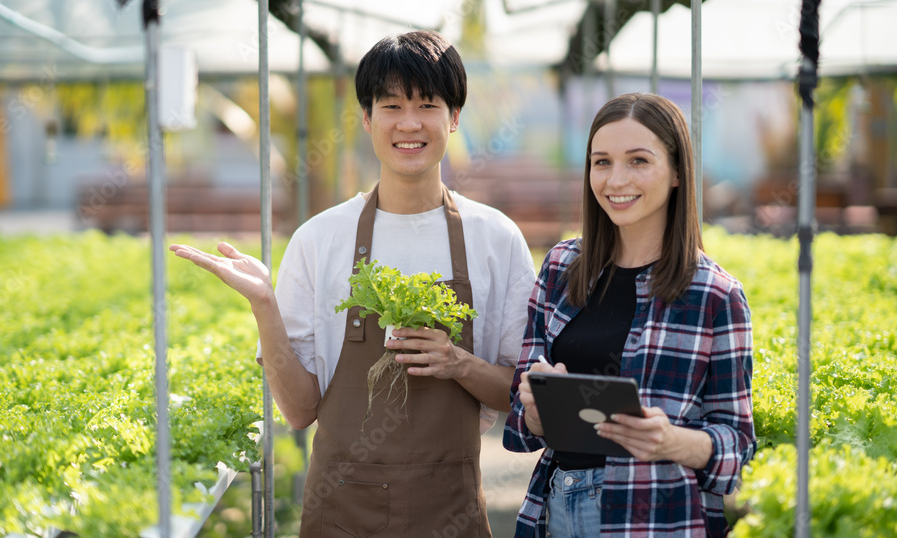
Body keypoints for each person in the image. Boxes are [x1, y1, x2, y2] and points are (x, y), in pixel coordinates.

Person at [171, 30, 536, 537]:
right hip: (341, 514)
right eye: (391, 105)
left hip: (449, 511)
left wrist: (458, 363)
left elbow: (519, 394)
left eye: (427, 104)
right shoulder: (320, 239)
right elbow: (300, 411)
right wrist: (264, 306)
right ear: (366, 118)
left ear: (454, 117)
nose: (409, 123)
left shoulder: (495, 239)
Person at [503, 93, 756, 537]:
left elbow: (739, 448)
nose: (615, 179)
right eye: (601, 162)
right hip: (555, 508)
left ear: (677, 172)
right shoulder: (562, 267)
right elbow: (522, 424)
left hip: (656, 518)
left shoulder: (715, 295)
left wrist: (673, 440)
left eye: (638, 160)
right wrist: (535, 410)